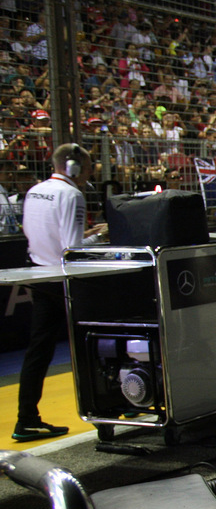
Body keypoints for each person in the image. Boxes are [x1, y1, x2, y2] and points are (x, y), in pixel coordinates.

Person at [14, 143, 106, 442]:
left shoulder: (34, 191)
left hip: (39, 273)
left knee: (38, 349)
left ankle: (26, 417)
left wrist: (85, 234)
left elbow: (42, 233)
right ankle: (106, 408)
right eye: (89, 165)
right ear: (74, 168)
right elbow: (72, 250)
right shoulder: (72, 195)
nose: (91, 171)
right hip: (64, 280)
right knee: (92, 341)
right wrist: (102, 236)